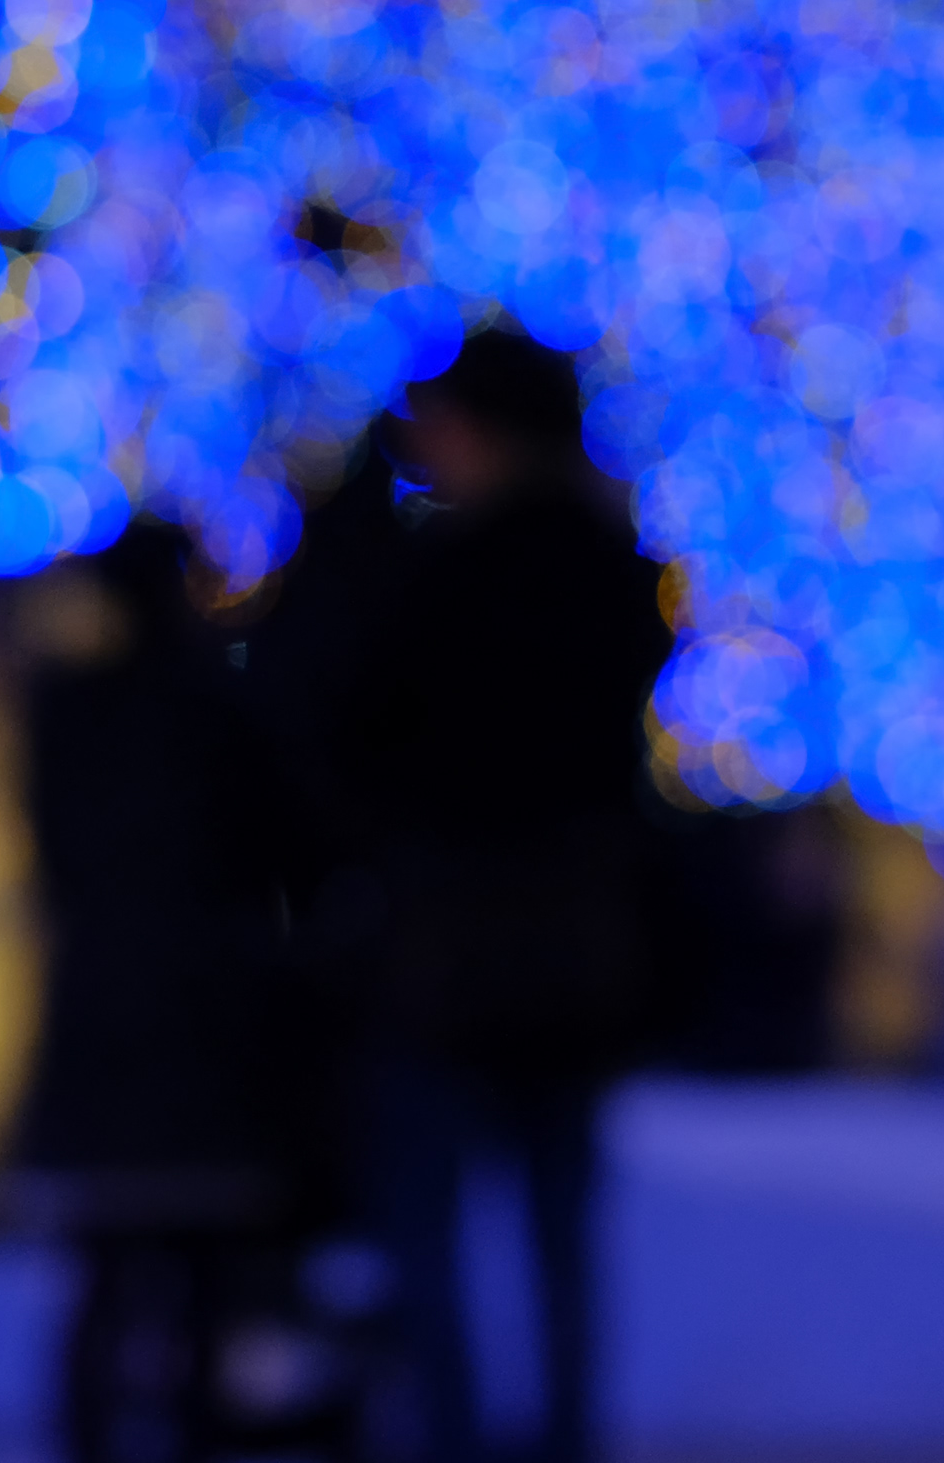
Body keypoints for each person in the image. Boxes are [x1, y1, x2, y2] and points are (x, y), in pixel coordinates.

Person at [347, 333, 669, 1463]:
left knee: (430, 1221)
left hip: (455, 946)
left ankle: (454, 1432)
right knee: (556, 1225)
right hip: (575, 949)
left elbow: (368, 735)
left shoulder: (447, 573)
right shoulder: (612, 570)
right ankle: (561, 1432)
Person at [11, 522, 336, 1461]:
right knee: (196, 1283)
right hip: (208, 1027)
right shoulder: (221, 708)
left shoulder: (71, 715)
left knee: (109, 1277)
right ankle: (185, 1439)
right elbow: (294, 852)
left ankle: (96, 1442)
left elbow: (59, 858)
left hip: (114, 1024)